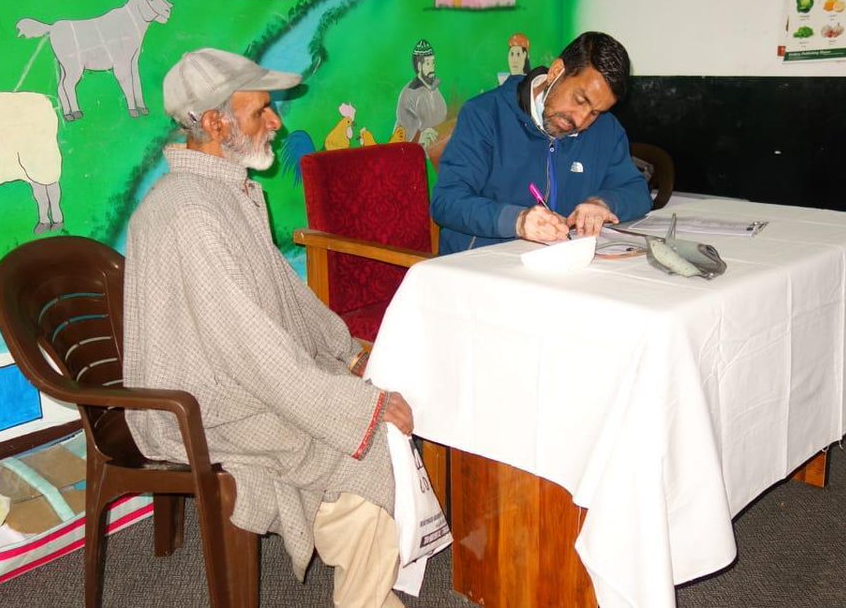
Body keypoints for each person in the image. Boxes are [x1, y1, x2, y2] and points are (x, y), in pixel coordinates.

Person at [123, 47, 413, 608]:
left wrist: (347, 352)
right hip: (199, 406)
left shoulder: (226, 192)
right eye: (261, 111)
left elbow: (286, 296)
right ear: (213, 124)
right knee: (367, 440)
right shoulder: (189, 211)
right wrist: (364, 406)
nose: (277, 121)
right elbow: (252, 353)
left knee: (358, 401)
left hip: (230, 381)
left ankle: (365, 577)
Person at [432, 31, 651, 255]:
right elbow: (446, 202)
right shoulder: (485, 115)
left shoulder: (607, 129)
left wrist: (603, 204)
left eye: (595, 112)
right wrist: (517, 221)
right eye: (579, 100)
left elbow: (637, 191)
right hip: (481, 266)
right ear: (556, 72)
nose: (580, 120)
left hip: (561, 266)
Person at [393, 39, 446, 149]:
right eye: (428, 63)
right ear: (419, 66)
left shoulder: (434, 87)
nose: (432, 67)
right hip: (416, 153)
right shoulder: (408, 94)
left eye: (433, 63)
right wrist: (420, 136)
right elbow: (403, 136)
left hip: (437, 146)